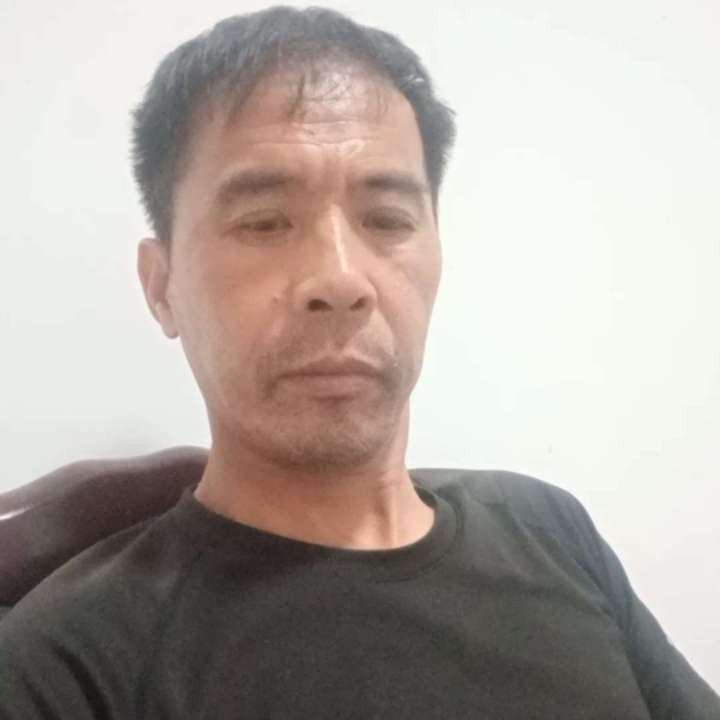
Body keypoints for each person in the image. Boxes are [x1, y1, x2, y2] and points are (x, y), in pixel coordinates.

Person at [0, 6, 717, 718]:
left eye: (387, 220)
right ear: (162, 288)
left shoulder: (545, 527)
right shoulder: (65, 666)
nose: (341, 279)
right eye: (263, 222)